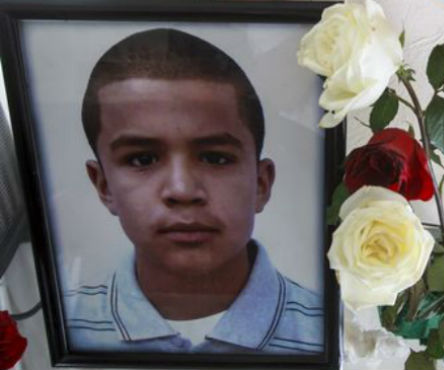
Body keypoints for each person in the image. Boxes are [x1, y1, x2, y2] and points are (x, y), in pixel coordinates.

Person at [63, 28, 324, 354]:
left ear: (261, 184)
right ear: (103, 186)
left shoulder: (331, 330)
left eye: (215, 158)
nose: (182, 190)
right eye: (142, 159)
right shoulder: (64, 325)